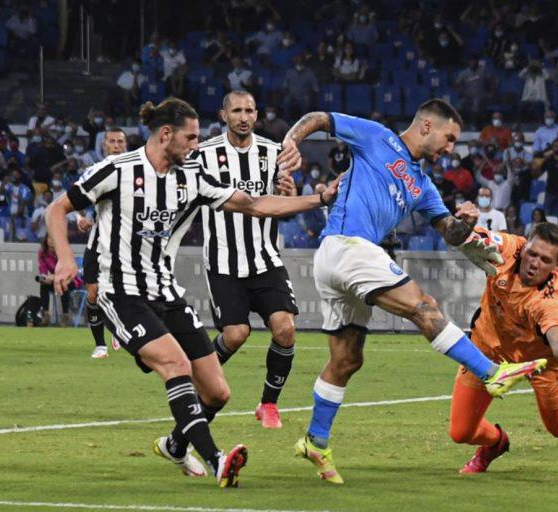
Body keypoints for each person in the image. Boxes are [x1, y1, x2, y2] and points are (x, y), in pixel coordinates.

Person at [47, 97, 339, 487]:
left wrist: (320, 199)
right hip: (122, 293)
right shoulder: (117, 170)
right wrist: (65, 260)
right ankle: (217, 460)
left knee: (217, 392)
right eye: (191, 138)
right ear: (166, 134)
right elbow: (57, 208)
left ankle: (174, 444)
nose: (196, 145)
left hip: (167, 293)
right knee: (176, 365)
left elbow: (254, 204)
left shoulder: (191, 178)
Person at [276, 99, 548, 484]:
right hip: (348, 245)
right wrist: (291, 141)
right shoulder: (376, 136)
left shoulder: (422, 184)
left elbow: (449, 230)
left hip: (340, 260)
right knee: (422, 305)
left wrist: (466, 224)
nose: (450, 148)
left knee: (347, 359)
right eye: (449, 138)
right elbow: (321, 118)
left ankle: (316, 440)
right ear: (426, 126)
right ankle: (490, 372)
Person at [448, 223, 558, 474]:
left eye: (545, 260)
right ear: (524, 247)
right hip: (488, 350)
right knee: (461, 432)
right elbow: (475, 238)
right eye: (532, 253)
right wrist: (462, 225)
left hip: (541, 361)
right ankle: (495, 443)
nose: (534, 263)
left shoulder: (551, 300)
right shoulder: (508, 249)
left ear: (557, 265)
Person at [193, 91, 301, 429]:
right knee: (236, 334)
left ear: (257, 115)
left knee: (285, 329)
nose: (244, 117)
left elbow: (286, 199)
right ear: (223, 115)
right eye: (237, 110)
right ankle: (200, 378)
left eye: (250, 110)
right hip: (223, 262)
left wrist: (289, 193)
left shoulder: (273, 153)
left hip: (266, 259)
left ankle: (268, 404)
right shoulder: (203, 155)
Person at [78, 127, 128, 359]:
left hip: (125, 245)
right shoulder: (95, 171)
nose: (116, 145)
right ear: (104, 145)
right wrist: (80, 218)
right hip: (97, 242)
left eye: (120, 142)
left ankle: (119, 328)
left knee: (122, 293)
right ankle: (100, 345)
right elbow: (73, 198)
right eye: (112, 141)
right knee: (92, 293)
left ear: (126, 145)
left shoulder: (134, 171)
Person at [38, 233, 83, 327]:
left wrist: (55, 277)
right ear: (46, 240)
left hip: (69, 279)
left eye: (53, 238)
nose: (51, 241)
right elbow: (42, 268)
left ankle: (65, 317)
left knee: (63, 284)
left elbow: (67, 270)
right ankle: (46, 315)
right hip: (53, 280)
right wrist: (46, 277)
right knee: (43, 284)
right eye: (49, 238)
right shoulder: (42, 252)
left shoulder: (63, 252)